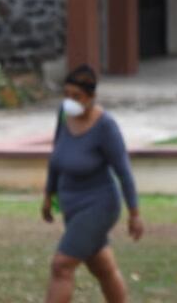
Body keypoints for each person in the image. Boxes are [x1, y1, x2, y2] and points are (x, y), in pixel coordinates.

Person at [42, 64, 143, 303]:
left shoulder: (106, 126)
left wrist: (134, 213)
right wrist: (49, 195)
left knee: (61, 266)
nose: (70, 101)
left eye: (76, 96)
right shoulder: (64, 115)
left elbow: (124, 172)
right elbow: (57, 156)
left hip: (99, 205)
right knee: (102, 268)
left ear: (91, 97)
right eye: (66, 95)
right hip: (71, 205)